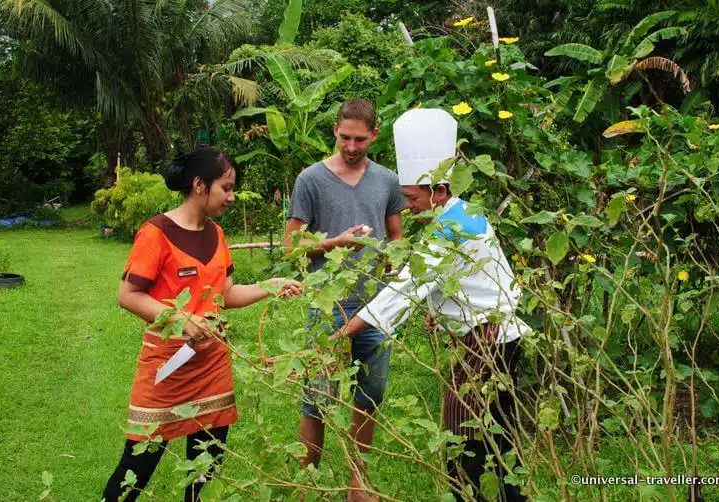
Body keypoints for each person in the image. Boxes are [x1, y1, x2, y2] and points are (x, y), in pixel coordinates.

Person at [329, 108, 530, 501]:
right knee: (496, 439)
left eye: (411, 197)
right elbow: (468, 280)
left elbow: (402, 291)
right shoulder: (466, 213)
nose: (408, 206)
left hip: (485, 341)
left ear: (437, 191)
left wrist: (339, 334)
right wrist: (439, 311)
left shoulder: (450, 229)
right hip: (499, 337)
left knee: (462, 441)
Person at [103, 147, 302, 501]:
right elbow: (128, 295)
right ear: (199, 185)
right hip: (166, 367)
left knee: (206, 463)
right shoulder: (155, 233)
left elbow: (224, 292)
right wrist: (181, 318)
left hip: (211, 366)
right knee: (136, 467)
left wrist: (268, 286)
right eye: (226, 187)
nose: (231, 196)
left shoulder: (216, 235)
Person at [283, 99, 406, 500]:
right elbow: (291, 247)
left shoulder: (387, 180)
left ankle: (358, 484)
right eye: (344, 137)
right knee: (317, 395)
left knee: (370, 394)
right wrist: (336, 242)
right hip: (327, 305)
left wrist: (394, 264)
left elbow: (397, 237)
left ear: (373, 134)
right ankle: (308, 479)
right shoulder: (310, 180)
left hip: (376, 305)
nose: (351, 147)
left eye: (360, 139)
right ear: (335, 129)